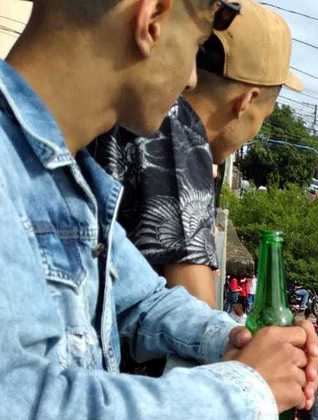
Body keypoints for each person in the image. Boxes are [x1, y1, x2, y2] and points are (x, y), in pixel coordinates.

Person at [0, 0, 318, 417]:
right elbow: (25, 402)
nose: (192, 80)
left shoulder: (69, 173)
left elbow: (142, 300)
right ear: (151, 18)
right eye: (197, 41)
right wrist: (248, 388)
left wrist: (238, 340)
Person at [90, 0, 301, 309]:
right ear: (246, 101)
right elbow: (197, 311)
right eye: (264, 117)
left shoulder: (138, 111)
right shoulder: (178, 136)